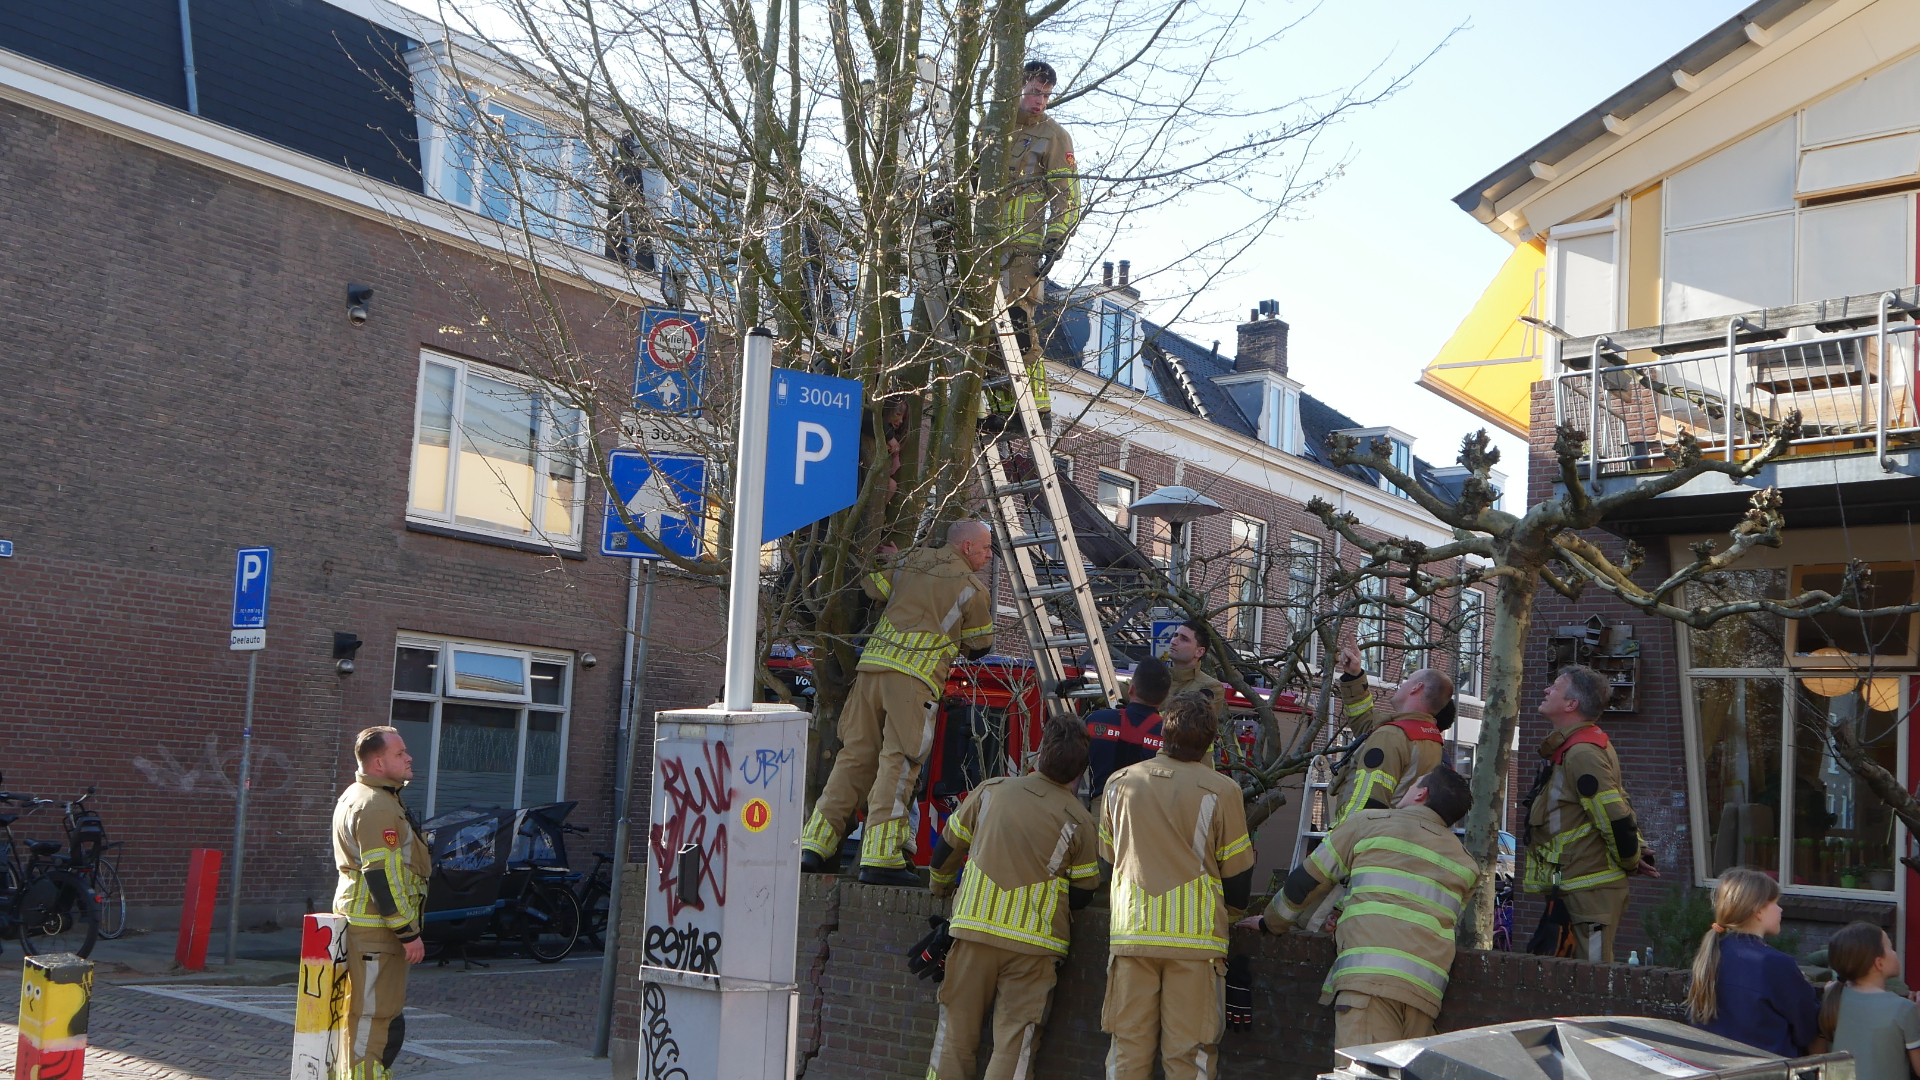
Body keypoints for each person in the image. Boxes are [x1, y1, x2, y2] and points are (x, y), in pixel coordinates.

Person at [801, 520, 996, 885]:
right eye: (985, 548)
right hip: (914, 680)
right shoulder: (972, 587)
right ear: (967, 547)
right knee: (899, 762)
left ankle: (814, 844)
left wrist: (897, 561)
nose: (988, 556)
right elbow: (979, 645)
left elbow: (873, 588)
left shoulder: (912, 559)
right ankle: (881, 856)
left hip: (871, 670)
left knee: (854, 757)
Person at [1239, 766, 1478, 1050]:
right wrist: (1345, 918)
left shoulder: (1369, 823)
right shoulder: (1466, 864)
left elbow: (1306, 882)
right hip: (1425, 995)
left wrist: (1271, 923)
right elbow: (1421, 913)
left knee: (1361, 1068)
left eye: (1413, 784)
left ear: (1421, 794)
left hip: (1368, 983)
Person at [925, 720, 1102, 1080]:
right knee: (1014, 1045)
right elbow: (1084, 893)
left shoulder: (991, 791)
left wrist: (940, 888)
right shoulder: (1080, 821)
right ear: (1080, 771)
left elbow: (946, 849)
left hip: (973, 933)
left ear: (1039, 753)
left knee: (954, 1036)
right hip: (1034, 947)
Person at [1099, 689, 1256, 1080]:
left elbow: (1106, 864)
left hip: (1132, 935)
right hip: (1196, 945)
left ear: (1164, 732)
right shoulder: (1223, 791)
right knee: (1189, 1057)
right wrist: (1228, 914)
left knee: (1127, 1051)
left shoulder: (1119, 783)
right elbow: (1238, 880)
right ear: (1209, 741)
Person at [1521, 664, 1655, 963]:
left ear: (1572, 704)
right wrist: (1637, 848)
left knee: (1593, 977)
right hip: (1578, 887)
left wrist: (1631, 858)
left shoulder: (1582, 753)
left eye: (1555, 687)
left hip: (1590, 890)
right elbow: (1615, 805)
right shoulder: (1576, 748)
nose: (1546, 690)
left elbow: (1614, 815)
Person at [984, 60, 1080, 431]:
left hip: (1024, 249)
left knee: (1017, 324)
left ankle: (1036, 408)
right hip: (984, 247)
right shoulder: (992, 127)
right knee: (984, 328)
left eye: (1046, 94)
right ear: (1018, 88)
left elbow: (1068, 194)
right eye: (1035, 92)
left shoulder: (1054, 135)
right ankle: (1002, 407)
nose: (1040, 100)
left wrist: (1056, 238)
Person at [333, 726, 432, 1080]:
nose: (409, 758)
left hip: (369, 928)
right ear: (378, 763)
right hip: (377, 932)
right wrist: (407, 932)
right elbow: (381, 875)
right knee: (374, 1015)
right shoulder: (376, 805)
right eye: (400, 753)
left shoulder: (364, 795)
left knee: (369, 1012)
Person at [1687, 868, 1819, 1055]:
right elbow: (1807, 1029)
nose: (1780, 909)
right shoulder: (1775, 964)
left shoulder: (1709, 955)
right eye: (1775, 903)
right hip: (1767, 1067)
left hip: (1714, 1065)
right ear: (1758, 911)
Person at [1326, 643, 1453, 830]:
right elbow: (1367, 724)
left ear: (1416, 687)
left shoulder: (1391, 736)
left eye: (1407, 680)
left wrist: (1337, 840)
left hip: (1362, 838)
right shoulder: (1425, 737)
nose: (1402, 684)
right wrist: (1354, 675)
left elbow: (1364, 807)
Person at [1812, 921, 1920, 1078]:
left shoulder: (1833, 997)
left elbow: (1816, 1054)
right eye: (1890, 948)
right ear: (1879, 963)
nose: (1895, 952)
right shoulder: (1903, 1008)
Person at [1086, 656, 1172, 796]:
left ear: (1131, 688)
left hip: (1101, 805)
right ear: (1166, 695)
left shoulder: (1095, 721)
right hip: (1147, 808)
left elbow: (1071, 776)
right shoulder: (1170, 736)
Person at [1164, 620, 1226, 721]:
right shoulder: (1153, 677)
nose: (1173, 642)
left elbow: (1197, 725)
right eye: (1175, 635)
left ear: (1199, 651)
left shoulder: (1211, 687)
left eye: (1184, 639)